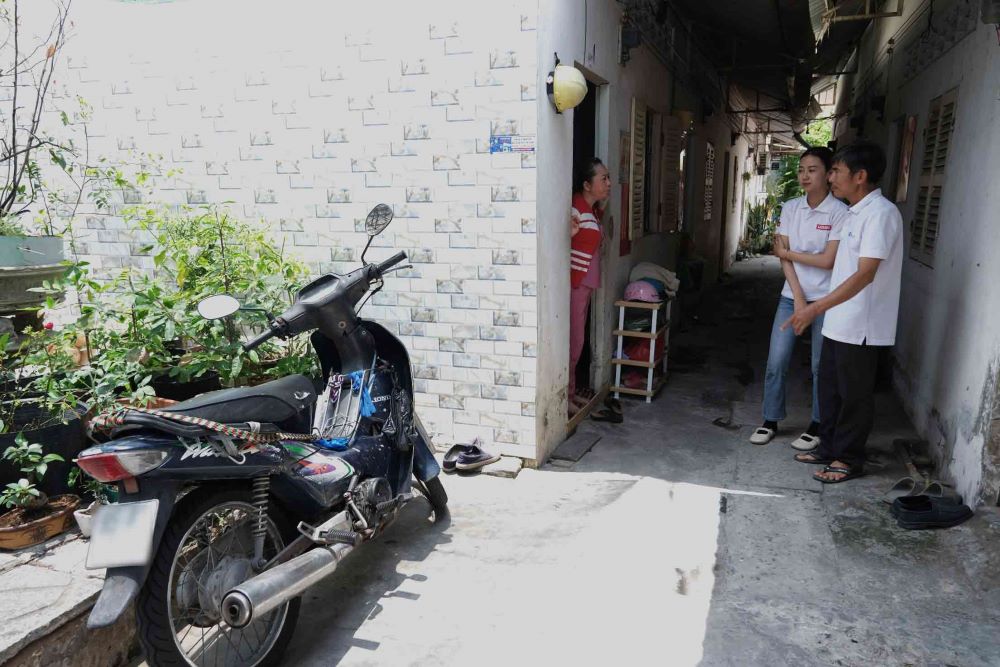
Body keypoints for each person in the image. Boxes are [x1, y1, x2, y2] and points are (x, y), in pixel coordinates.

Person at [782, 141, 904, 484]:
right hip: (839, 320)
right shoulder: (854, 212)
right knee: (830, 389)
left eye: (836, 171)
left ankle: (848, 459)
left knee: (854, 396)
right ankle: (829, 447)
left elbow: (865, 274)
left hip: (862, 324)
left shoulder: (881, 214)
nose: (831, 177)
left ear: (860, 176)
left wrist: (815, 307)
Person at [750, 147, 848, 449]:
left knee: (820, 366)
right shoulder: (791, 208)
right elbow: (782, 258)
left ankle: (817, 424)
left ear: (828, 173)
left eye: (812, 170)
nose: (805, 175)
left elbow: (828, 261)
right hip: (791, 297)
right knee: (776, 360)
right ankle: (770, 420)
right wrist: (798, 296)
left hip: (826, 300)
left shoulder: (840, 212)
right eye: (802, 169)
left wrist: (789, 253)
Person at [568, 158, 611, 416]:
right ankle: (565, 398)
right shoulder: (576, 208)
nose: (608, 183)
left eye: (608, 178)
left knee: (577, 341)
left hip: (584, 286)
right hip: (576, 284)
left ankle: (570, 393)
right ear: (587, 184)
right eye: (603, 179)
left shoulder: (590, 210)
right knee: (574, 342)